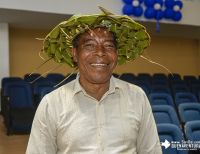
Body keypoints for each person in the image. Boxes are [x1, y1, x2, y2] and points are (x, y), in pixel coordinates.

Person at [26, 7, 162, 154]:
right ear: (75, 54)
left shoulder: (137, 97)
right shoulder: (52, 104)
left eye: (109, 45)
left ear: (117, 54)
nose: (100, 52)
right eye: (89, 45)